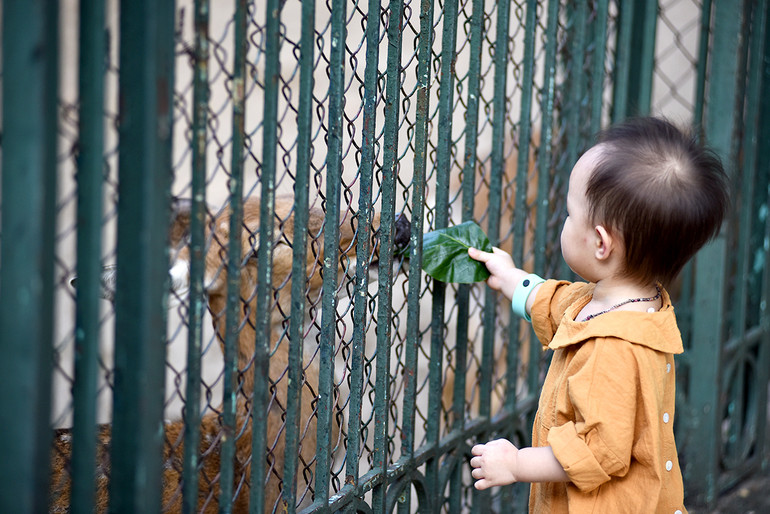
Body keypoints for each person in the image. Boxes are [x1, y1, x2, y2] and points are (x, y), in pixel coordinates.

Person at [467, 117, 729, 513]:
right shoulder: (630, 303)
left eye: (571, 213)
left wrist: (516, 463)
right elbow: (557, 304)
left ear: (602, 243)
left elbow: (599, 450)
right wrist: (512, 279)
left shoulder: (615, 350)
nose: (565, 220)